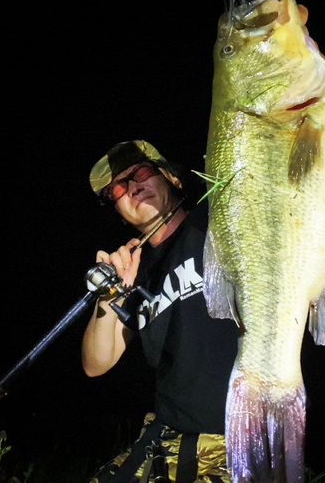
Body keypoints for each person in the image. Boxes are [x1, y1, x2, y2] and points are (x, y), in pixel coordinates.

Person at [83, 140, 239, 483]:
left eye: (141, 171)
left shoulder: (216, 224)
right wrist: (109, 297)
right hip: (165, 439)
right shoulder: (136, 275)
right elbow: (96, 364)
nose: (133, 186)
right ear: (119, 211)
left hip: (239, 434)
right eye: (119, 187)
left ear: (172, 178)